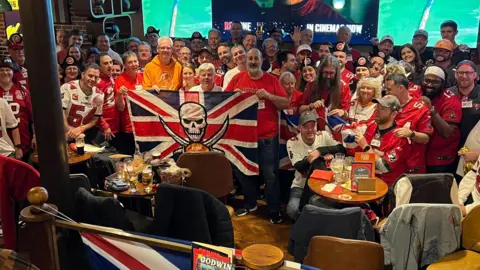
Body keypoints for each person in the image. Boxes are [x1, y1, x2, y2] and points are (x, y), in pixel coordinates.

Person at [225, 48, 289, 223]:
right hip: (243, 137)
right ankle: (250, 204)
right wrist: (234, 97)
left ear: (262, 61)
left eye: (256, 58)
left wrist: (269, 96)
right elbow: (223, 102)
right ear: (246, 60)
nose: (253, 61)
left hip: (267, 137)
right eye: (250, 58)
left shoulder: (272, 80)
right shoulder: (237, 79)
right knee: (244, 172)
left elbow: (285, 103)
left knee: (270, 175)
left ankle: (274, 209)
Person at [286, 110, 343, 220]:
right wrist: (311, 158)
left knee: (316, 205)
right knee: (292, 210)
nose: (310, 130)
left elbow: (341, 149)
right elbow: (300, 166)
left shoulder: (323, 135)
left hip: (323, 185)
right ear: (299, 128)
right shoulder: (292, 142)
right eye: (306, 126)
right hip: (300, 186)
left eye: (313, 126)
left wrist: (320, 151)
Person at [354, 95, 409, 186]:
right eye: (377, 107)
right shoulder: (371, 127)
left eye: (382, 109)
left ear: (394, 114)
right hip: (366, 179)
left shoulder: (400, 137)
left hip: (387, 187)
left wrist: (366, 147)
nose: (377, 111)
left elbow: (384, 167)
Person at [385, 73, 432, 173]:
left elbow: (426, 138)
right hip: (389, 164)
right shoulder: (385, 105)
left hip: (411, 166)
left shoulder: (420, 108)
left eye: (389, 89)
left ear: (401, 88)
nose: (386, 93)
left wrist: (411, 134)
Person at [420, 66, 462, 173]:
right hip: (418, 156)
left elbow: (446, 132)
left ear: (443, 84)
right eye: (427, 80)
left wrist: (431, 109)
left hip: (440, 158)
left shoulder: (451, 100)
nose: (429, 84)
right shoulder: (417, 92)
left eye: (435, 82)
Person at [300, 56, 352, 125]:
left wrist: (342, 112)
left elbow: (347, 114)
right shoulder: (311, 84)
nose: (328, 76)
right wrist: (311, 106)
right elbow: (300, 109)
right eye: (326, 72)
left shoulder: (344, 87)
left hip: (334, 125)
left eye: (331, 73)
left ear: (336, 73)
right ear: (321, 71)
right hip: (313, 123)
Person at [61, 63, 104, 142]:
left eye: (96, 77)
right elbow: (60, 112)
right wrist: (69, 130)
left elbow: (95, 120)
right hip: (62, 132)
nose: (93, 79)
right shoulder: (67, 87)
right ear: (83, 75)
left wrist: (81, 128)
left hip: (81, 134)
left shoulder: (99, 95)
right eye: (90, 76)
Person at [0, 57, 32, 159]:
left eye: (8, 70)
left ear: (13, 72)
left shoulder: (23, 91)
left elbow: (32, 117)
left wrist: (35, 136)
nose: (5, 73)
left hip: (22, 140)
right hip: (2, 142)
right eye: (1, 70)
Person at [115, 51, 143, 155]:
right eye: (130, 62)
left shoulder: (144, 76)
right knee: (131, 156)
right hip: (129, 126)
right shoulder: (119, 80)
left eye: (135, 61)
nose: (134, 64)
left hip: (143, 123)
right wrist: (118, 94)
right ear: (125, 65)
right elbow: (121, 108)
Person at [449, 60, 480, 150]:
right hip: (450, 145)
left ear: (475, 75)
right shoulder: (447, 93)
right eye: (460, 73)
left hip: (475, 145)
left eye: (468, 73)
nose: (464, 76)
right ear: (455, 75)